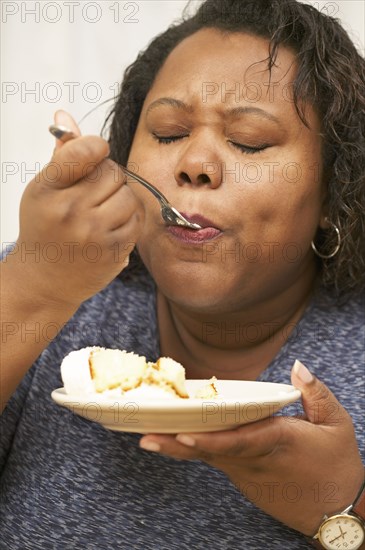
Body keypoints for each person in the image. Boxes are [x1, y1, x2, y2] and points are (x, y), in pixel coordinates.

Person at [1, 0, 364, 548]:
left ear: (335, 196)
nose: (195, 163)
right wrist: (33, 289)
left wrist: (340, 509)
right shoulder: (39, 283)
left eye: (249, 141)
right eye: (168, 133)